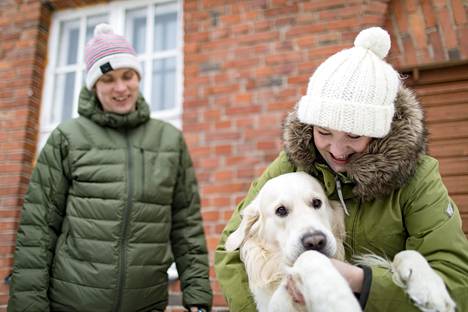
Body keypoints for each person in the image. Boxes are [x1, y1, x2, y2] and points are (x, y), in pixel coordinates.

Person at [214, 27, 468, 311]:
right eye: (324, 132)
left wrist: (361, 281)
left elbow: (457, 283)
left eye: (353, 136)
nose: (336, 150)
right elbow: (230, 250)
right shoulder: (293, 164)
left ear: (379, 133)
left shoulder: (418, 178)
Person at [8, 23, 212, 312]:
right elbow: (38, 228)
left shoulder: (169, 140)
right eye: (107, 79)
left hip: (145, 303)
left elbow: (186, 224)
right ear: (94, 85)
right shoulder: (67, 138)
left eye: (127, 76)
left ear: (138, 77)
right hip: (71, 304)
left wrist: (198, 295)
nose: (120, 88)